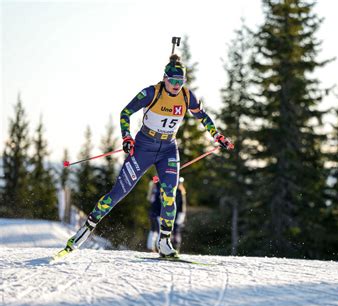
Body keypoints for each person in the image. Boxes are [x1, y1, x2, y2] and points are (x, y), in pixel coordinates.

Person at [62, 54, 234, 258]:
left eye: (181, 81)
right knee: (118, 193)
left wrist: (217, 136)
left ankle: (164, 242)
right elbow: (125, 112)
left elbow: (203, 117)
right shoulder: (151, 92)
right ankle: (84, 231)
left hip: (168, 148)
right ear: (165, 78)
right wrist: (127, 137)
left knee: (169, 194)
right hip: (144, 146)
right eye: (173, 81)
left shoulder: (188, 96)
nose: (177, 85)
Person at [146, 178, 161, 252]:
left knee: (153, 230)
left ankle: (150, 246)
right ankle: (159, 247)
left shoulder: (152, 192)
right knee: (159, 231)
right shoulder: (157, 192)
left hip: (152, 213)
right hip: (157, 213)